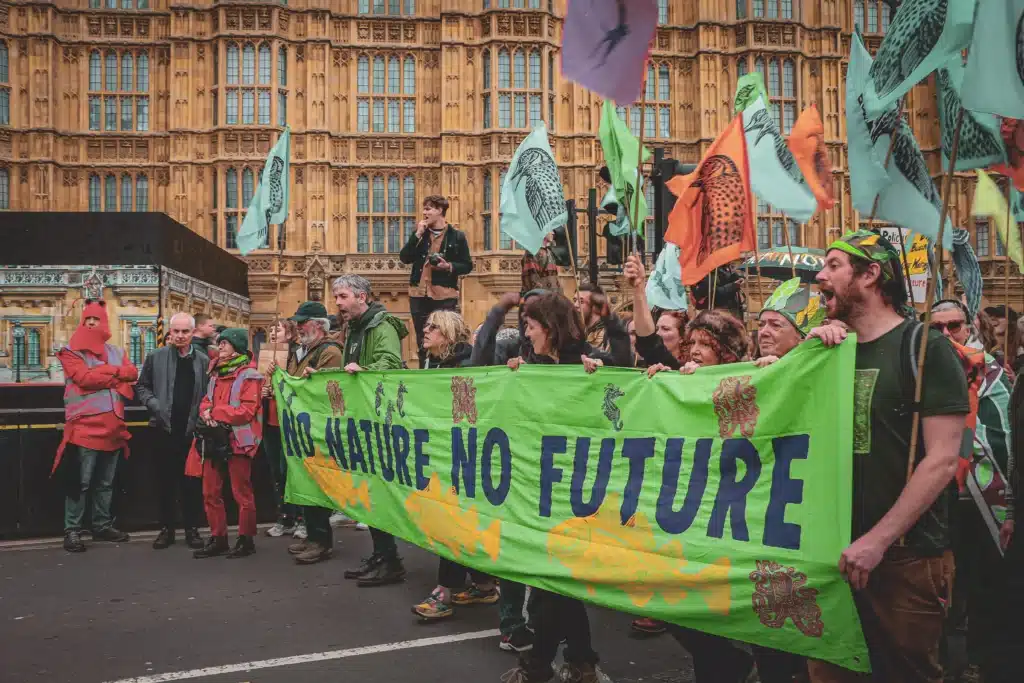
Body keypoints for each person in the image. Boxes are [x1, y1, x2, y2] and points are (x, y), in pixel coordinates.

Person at [806, 231, 968, 683]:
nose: (820, 275)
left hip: (905, 560)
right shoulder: (825, 352)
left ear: (871, 274)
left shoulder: (924, 348)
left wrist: (876, 542)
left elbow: (941, 459)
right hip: (830, 557)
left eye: (834, 265)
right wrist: (803, 355)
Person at [503, 291, 612, 683]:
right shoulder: (531, 362)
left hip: (580, 490)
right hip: (541, 487)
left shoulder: (589, 357)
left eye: (530, 327)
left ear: (549, 328)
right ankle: (581, 662)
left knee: (551, 584)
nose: (526, 335)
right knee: (554, 585)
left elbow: (627, 382)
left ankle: (541, 667)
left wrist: (601, 372)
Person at [411, 310, 501, 620]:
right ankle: (484, 584)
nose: (425, 331)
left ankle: (444, 592)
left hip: (465, 460)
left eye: (433, 327)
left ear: (449, 335)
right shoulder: (434, 365)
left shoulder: (465, 367)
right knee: (462, 524)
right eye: (426, 325)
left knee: (454, 524)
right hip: (445, 456)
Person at [332, 274, 410, 586]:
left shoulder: (381, 326)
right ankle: (382, 554)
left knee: (380, 493)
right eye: (336, 297)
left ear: (362, 297)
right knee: (370, 494)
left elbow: (389, 364)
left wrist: (365, 371)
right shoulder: (354, 328)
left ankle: (391, 560)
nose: (338, 303)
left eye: (343, 296)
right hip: (363, 419)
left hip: (382, 421)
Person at [54, 300, 137, 553]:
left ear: (104, 322)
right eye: (87, 319)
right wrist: (115, 374)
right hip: (84, 427)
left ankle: (101, 525)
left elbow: (132, 374)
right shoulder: (70, 351)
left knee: (105, 482)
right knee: (81, 482)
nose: (91, 323)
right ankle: (73, 530)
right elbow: (83, 378)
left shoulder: (115, 351)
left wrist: (105, 371)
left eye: (96, 319)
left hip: (113, 427)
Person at [188, 328, 264, 559]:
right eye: (220, 343)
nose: (220, 346)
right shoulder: (216, 373)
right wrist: (206, 411)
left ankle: (245, 539)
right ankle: (218, 537)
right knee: (210, 492)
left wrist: (214, 412)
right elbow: (205, 401)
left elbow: (246, 411)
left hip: (238, 441)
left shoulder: (249, 375)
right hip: (214, 439)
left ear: (237, 347)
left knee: (241, 492)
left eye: (225, 343)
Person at [136, 312, 209, 551]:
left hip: (191, 432)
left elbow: (208, 394)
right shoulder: (155, 357)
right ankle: (166, 529)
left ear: (192, 333)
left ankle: (192, 529)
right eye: (175, 331)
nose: (179, 336)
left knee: (191, 484)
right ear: (170, 332)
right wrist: (155, 406)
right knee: (164, 483)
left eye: (185, 332)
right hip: (163, 430)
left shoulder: (203, 361)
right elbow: (142, 387)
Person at [284, 301, 344, 564]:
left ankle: (322, 541)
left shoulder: (330, 352)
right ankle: (312, 535)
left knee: (317, 486)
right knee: (306, 484)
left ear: (319, 325)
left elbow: (330, 389)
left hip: (318, 430)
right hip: (300, 427)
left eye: (303, 322)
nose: (298, 326)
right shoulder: (300, 351)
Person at [399, 194, 473, 367]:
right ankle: (425, 371)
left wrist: (449, 267)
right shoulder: (420, 235)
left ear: (440, 210)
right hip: (419, 292)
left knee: (446, 335)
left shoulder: (457, 236)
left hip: (444, 294)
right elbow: (404, 258)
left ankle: (446, 368)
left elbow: (467, 265)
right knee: (422, 338)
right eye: (424, 209)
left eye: (428, 209)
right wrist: (417, 234)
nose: (424, 213)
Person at [260, 318, 303, 539]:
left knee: (291, 472)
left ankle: (300, 518)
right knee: (276, 472)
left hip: (289, 422)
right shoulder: (265, 354)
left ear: (290, 332)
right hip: (270, 420)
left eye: (277, 328)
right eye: (270, 329)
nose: (273, 333)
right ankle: (284, 517)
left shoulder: (296, 355)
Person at [624, 255, 689, 370]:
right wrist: (639, 287)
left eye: (666, 329)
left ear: (682, 337)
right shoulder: (658, 360)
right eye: (657, 328)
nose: (658, 333)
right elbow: (648, 342)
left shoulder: (687, 367)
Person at [753, 277, 826, 367]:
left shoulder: (820, 368)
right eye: (761, 325)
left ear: (802, 338)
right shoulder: (744, 371)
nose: (763, 332)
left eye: (775, 325)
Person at [982, 305, 1023, 377]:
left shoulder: (1021, 358)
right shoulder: (983, 353)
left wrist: (1015, 380)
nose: (994, 339)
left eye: (1001, 334)